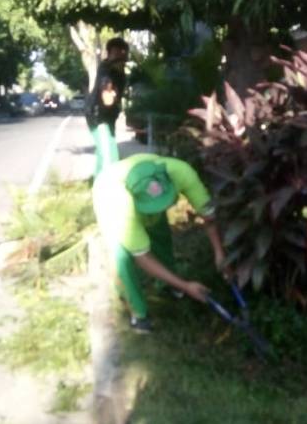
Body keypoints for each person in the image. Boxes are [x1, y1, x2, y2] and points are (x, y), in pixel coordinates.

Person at [92, 153, 228, 333]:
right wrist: (186, 286)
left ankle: (169, 283)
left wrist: (220, 254)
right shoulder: (118, 205)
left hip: (142, 193)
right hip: (108, 192)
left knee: (160, 234)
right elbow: (143, 257)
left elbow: (209, 216)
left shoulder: (182, 172)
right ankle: (138, 313)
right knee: (121, 256)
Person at [85, 37, 129, 177]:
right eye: (116, 53)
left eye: (123, 53)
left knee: (106, 150)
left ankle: (98, 181)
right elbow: (107, 95)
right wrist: (109, 91)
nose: (121, 56)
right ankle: (106, 184)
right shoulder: (106, 69)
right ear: (109, 54)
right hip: (98, 116)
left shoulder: (121, 73)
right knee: (109, 154)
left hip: (109, 116)